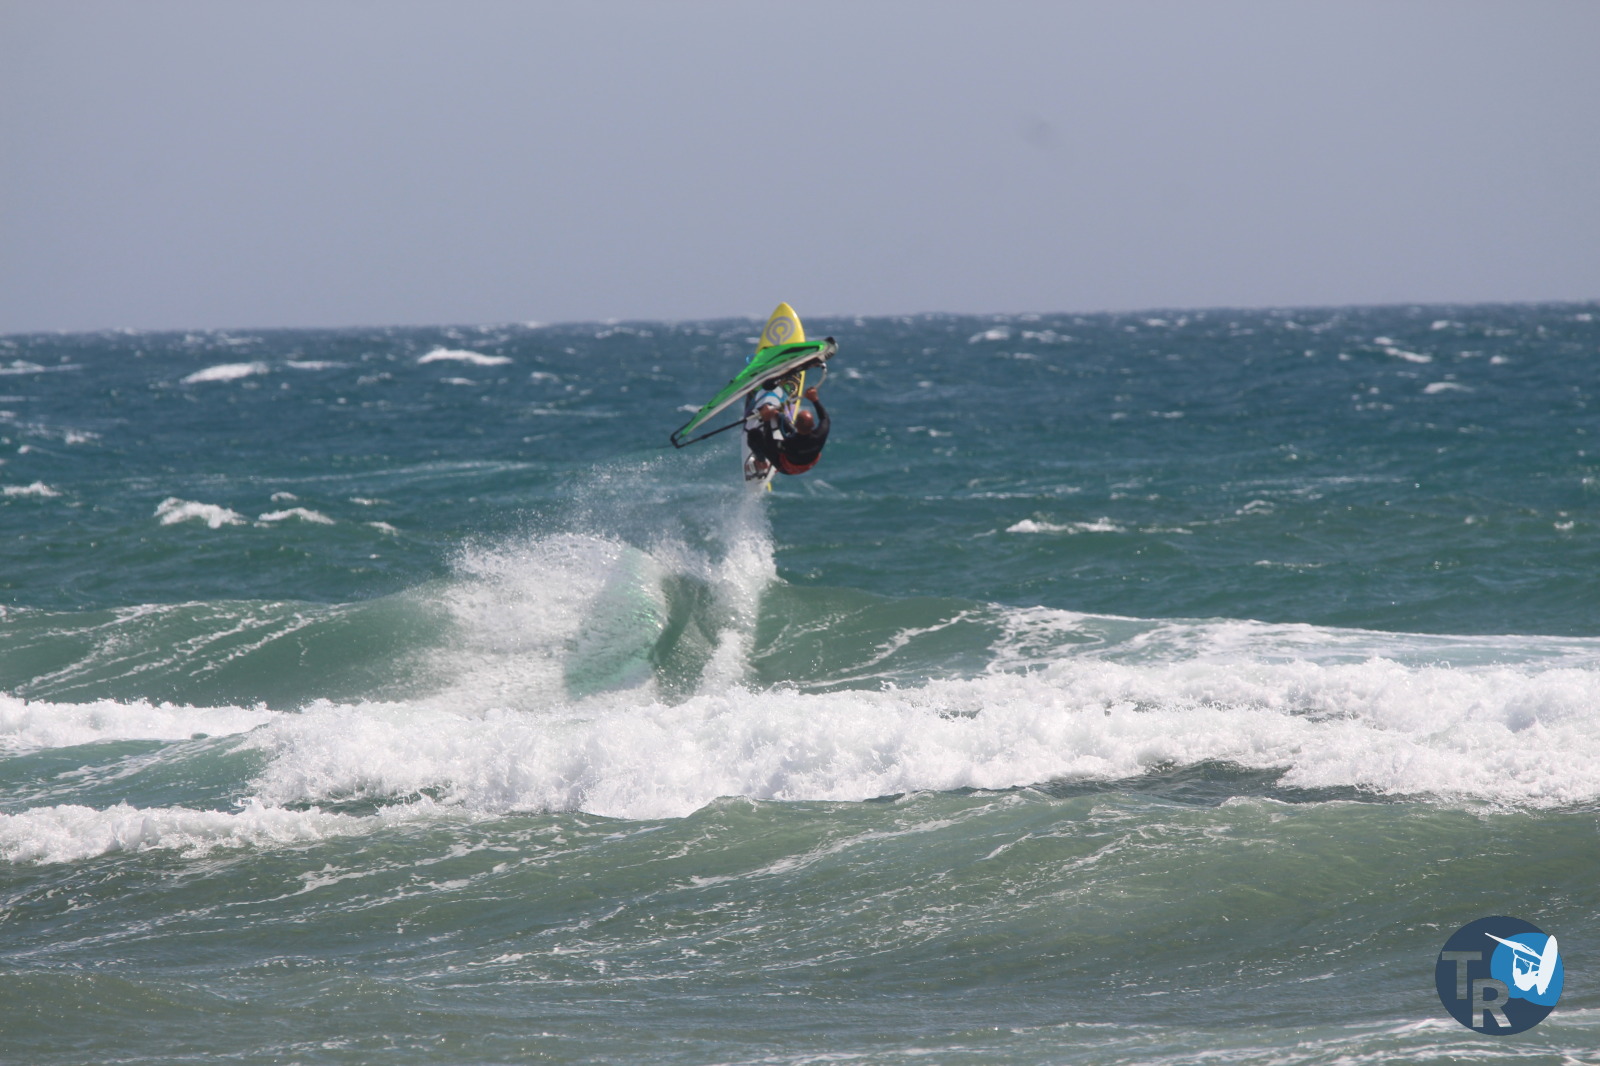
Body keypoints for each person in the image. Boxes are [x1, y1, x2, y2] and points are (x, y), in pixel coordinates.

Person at [746, 385, 830, 476]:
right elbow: (825, 418)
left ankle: (761, 463)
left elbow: (769, 443)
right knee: (783, 419)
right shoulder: (821, 434)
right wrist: (815, 400)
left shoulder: (789, 443)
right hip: (809, 462)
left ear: (796, 425)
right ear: (813, 425)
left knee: (754, 435)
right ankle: (778, 415)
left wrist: (767, 420)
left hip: (788, 468)